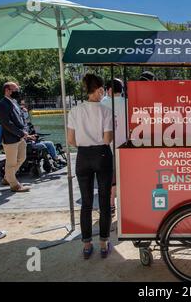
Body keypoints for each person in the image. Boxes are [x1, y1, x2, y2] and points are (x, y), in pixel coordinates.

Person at [67, 73, 114, 259]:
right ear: (99, 89)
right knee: (104, 201)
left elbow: (71, 140)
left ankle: (87, 244)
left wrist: (85, 146)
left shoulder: (75, 111)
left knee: (86, 202)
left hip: (83, 156)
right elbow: (107, 138)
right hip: (102, 154)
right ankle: (103, 243)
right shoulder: (105, 111)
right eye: (102, 89)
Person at [0, 82, 34, 192]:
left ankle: (7, 177)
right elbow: (6, 124)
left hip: (20, 137)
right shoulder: (2, 105)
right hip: (10, 139)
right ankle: (14, 185)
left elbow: (21, 118)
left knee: (22, 158)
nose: (18, 92)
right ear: (7, 90)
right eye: (15, 90)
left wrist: (25, 131)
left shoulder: (14, 102)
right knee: (11, 162)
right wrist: (22, 133)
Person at [101, 78, 128, 215]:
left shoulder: (103, 103)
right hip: (126, 147)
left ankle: (111, 205)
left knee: (109, 178)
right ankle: (126, 207)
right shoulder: (128, 103)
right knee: (125, 178)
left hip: (108, 146)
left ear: (109, 90)